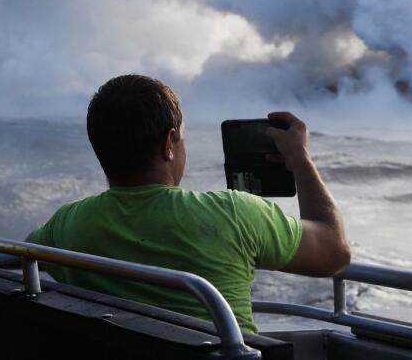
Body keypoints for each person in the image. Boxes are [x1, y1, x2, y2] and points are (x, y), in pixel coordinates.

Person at [26, 74, 350, 333]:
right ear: (169, 144)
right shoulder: (234, 213)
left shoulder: (65, 226)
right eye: (181, 138)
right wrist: (300, 159)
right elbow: (334, 252)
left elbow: (7, 261)